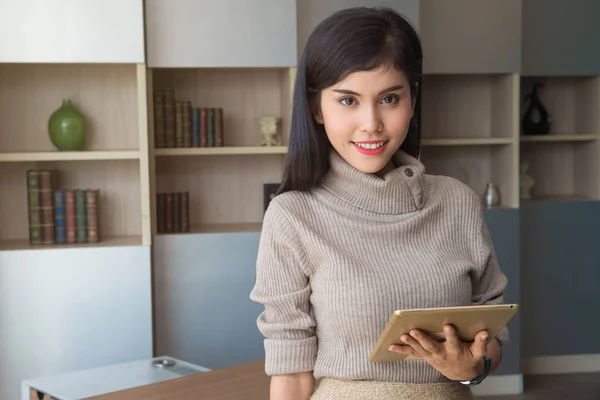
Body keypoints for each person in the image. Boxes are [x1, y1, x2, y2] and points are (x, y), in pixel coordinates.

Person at [249, 6, 509, 400]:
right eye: (348, 100)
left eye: (389, 98)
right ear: (317, 106)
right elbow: (291, 372)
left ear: (413, 99)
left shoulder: (457, 202)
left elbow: (493, 331)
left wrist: (474, 367)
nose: (371, 123)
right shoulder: (293, 215)